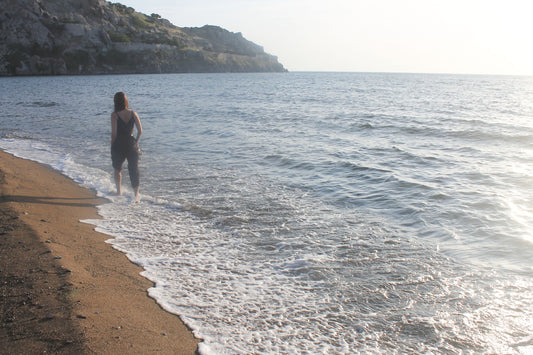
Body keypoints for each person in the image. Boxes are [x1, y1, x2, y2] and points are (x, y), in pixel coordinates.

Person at [111, 92, 142, 201]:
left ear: (116, 102)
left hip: (119, 144)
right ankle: (136, 195)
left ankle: (119, 192)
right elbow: (140, 131)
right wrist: (136, 143)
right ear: (126, 101)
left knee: (117, 169)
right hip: (131, 143)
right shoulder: (133, 113)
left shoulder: (115, 115)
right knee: (134, 169)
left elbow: (114, 134)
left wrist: (112, 145)